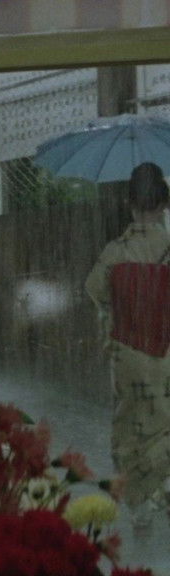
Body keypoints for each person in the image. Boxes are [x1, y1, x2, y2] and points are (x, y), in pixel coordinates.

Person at [85, 162, 170, 528]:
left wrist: (122, 305)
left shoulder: (115, 250)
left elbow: (94, 289)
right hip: (166, 352)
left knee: (130, 424)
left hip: (127, 353)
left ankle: (139, 505)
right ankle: (163, 486)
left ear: (129, 203)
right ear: (164, 204)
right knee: (164, 421)